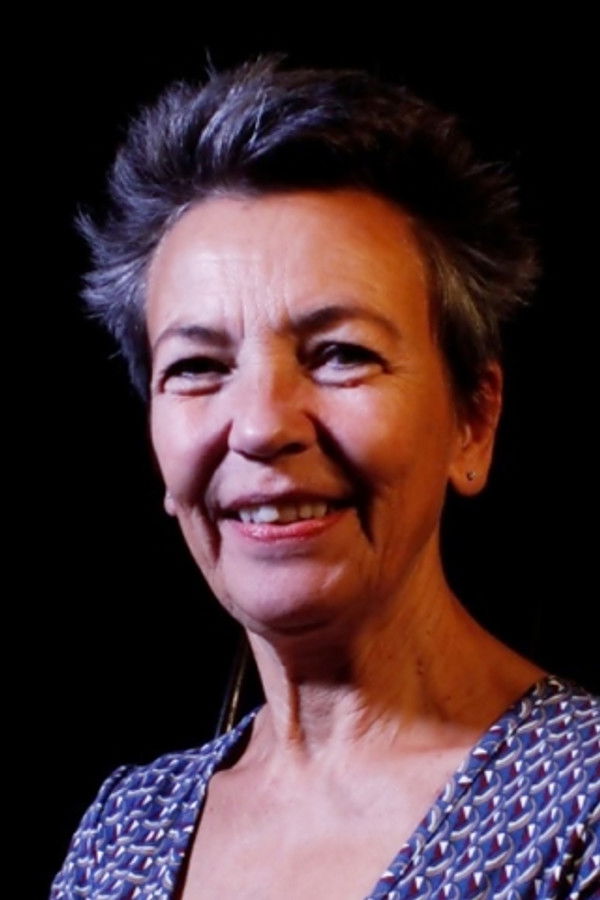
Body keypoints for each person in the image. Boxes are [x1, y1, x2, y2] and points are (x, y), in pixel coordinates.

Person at [51, 58, 599, 899]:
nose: (262, 426)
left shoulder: (584, 809)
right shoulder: (124, 829)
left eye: (342, 354)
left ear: (472, 420)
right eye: (197, 368)